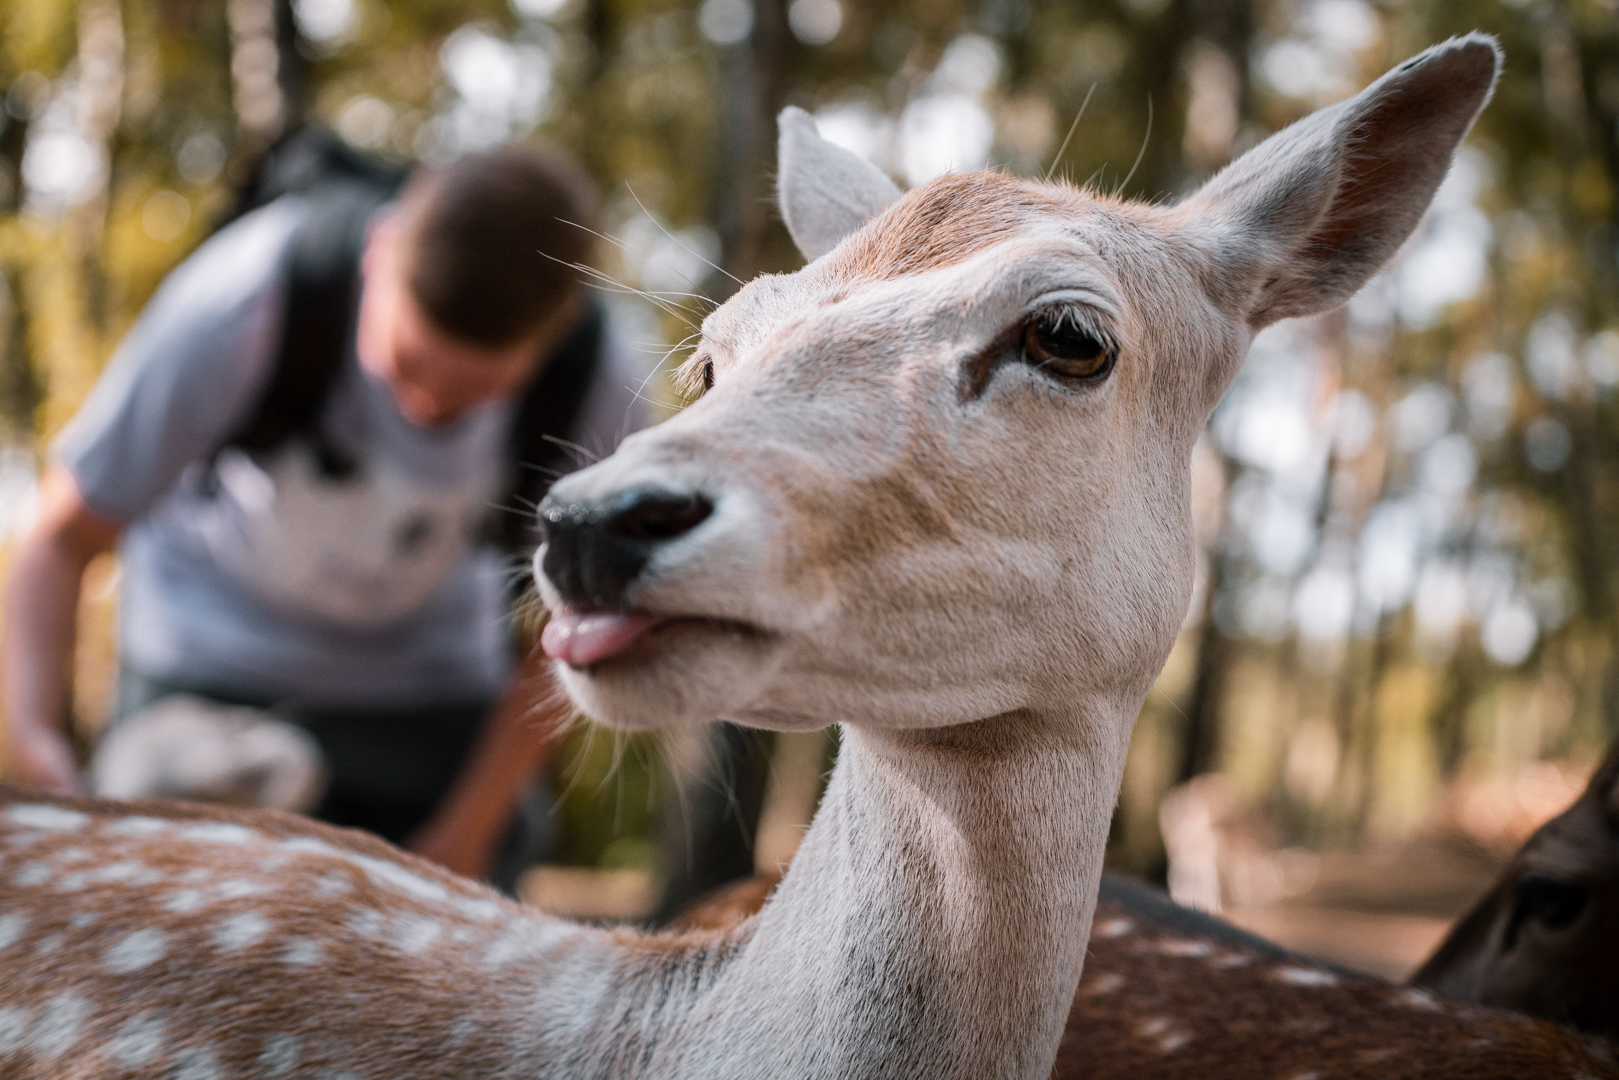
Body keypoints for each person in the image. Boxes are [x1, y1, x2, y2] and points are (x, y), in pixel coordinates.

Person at [1, 140, 645, 882]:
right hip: (210, 674)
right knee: (169, 839)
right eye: (406, 365)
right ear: (379, 251)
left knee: (496, 855)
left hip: (428, 700)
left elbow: (577, 621)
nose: (427, 408)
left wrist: (466, 833)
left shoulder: (599, 380)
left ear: (550, 340)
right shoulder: (243, 301)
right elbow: (61, 537)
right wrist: (34, 742)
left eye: (473, 394)